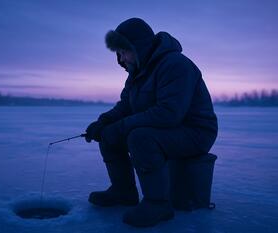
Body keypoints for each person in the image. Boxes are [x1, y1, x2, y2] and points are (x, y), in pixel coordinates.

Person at [85, 17, 218, 228]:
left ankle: (158, 204)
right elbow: (125, 106)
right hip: (169, 130)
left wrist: (119, 127)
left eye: (122, 52)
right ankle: (123, 192)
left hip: (196, 132)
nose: (120, 59)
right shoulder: (138, 73)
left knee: (140, 137)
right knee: (109, 135)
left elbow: (168, 114)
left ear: (137, 47)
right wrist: (103, 122)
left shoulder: (176, 65)